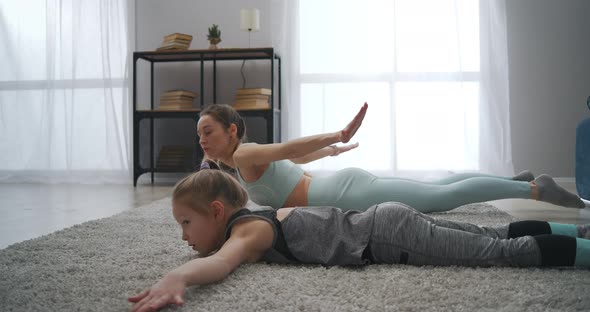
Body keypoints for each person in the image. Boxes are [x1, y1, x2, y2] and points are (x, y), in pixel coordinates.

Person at [128, 167, 590, 312]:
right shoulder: (261, 214)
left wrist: (178, 276)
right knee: (490, 233)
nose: (183, 235)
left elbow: (221, 264)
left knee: (498, 253)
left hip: (388, 235)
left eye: (186, 223)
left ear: (216, 212)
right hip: (385, 219)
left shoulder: (248, 231)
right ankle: (579, 230)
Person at [196, 103, 585, 212]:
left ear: (232, 131)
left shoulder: (245, 153)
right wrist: (332, 150)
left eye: (208, 132)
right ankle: (516, 182)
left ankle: (536, 189)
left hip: (346, 195)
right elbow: (293, 166)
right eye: (198, 134)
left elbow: (290, 150)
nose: (202, 140)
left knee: (441, 199)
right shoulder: (242, 162)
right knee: (436, 189)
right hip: (339, 188)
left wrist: (337, 134)